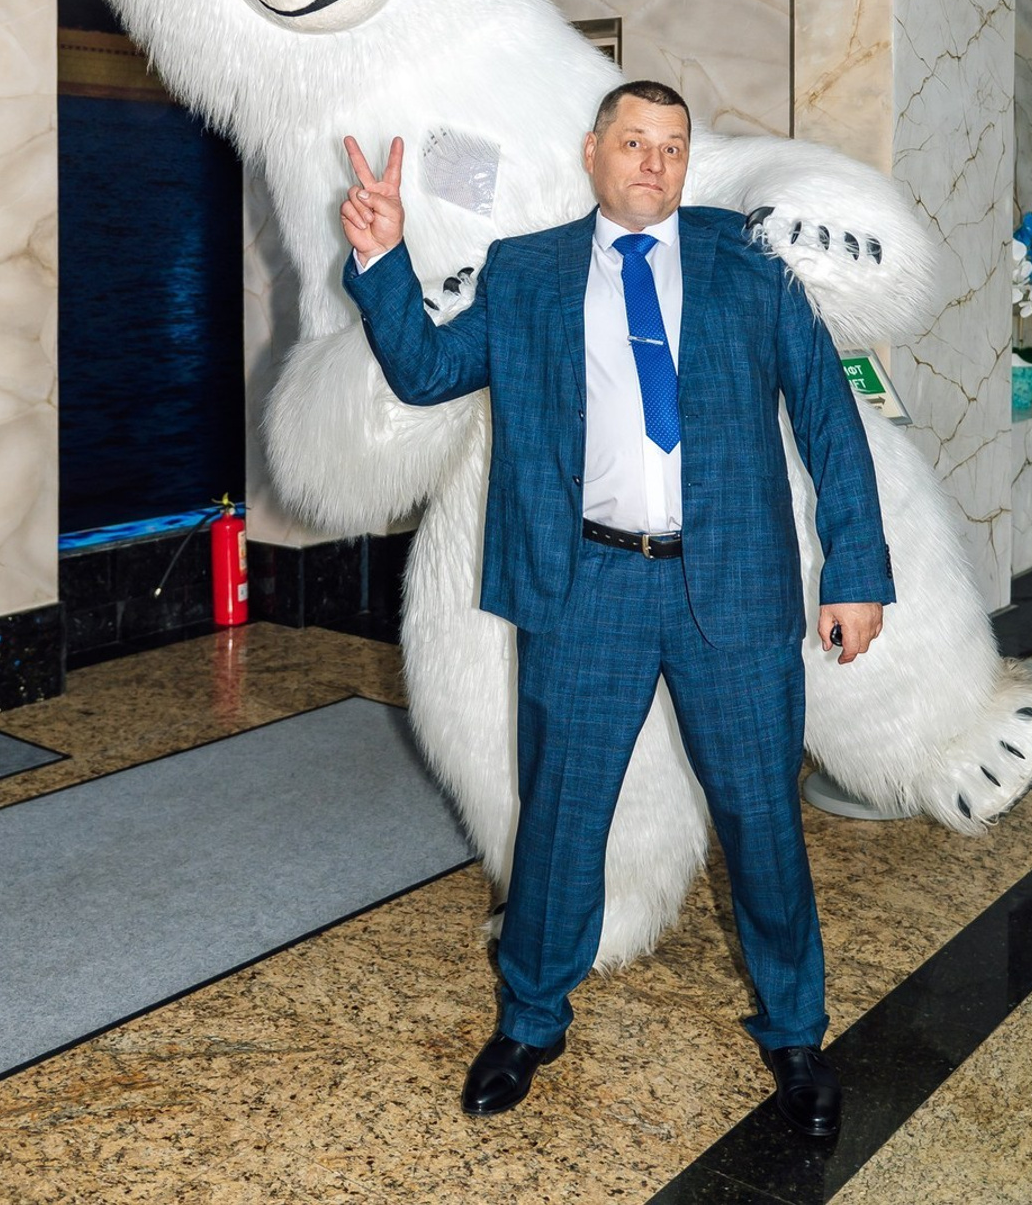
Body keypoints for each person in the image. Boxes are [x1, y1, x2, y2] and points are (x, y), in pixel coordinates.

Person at [339, 80, 892, 1135]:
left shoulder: (751, 269)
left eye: (671, 147)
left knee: (761, 819)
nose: (652, 161)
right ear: (592, 151)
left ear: (685, 163)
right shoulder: (528, 272)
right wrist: (382, 258)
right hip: (584, 582)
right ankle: (530, 1017)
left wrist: (855, 570)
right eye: (632, 141)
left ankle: (792, 1030)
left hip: (728, 586)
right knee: (557, 817)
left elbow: (829, 420)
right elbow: (423, 373)